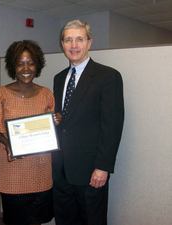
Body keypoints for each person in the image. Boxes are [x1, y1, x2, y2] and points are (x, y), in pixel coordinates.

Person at [52, 20, 125, 225]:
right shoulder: (59, 78)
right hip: (61, 169)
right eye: (68, 40)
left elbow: (112, 126)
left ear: (89, 42)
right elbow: (63, 121)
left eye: (79, 39)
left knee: (92, 220)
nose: (74, 45)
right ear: (62, 44)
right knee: (65, 220)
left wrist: (103, 167)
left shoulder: (108, 77)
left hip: (90, 171)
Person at [0, 40, 56, 225]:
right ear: (13, 66)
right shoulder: (1, 94)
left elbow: (48, 127)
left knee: (37, 219)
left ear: (38, 65)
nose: (26, 68)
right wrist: (7, 141)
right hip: (11, 169)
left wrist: (55, 121)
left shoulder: (46, 94)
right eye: (20, 63)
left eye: (31, 62)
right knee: (15, 220)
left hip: (40, 168)